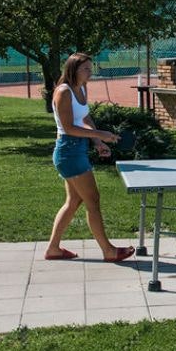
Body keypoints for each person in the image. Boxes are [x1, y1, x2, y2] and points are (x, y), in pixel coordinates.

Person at [45, 52, 135, 263]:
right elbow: (68, 127)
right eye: (85, 68)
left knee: (74, 201)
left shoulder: (82, 87)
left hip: (77, 150)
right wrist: (99, 134)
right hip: (68, 152)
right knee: (92, 199)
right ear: (73, 69)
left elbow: (84, 117)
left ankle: (53, 248)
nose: (90, 72)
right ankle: (108, 251)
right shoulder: (63, 92)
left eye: (90, 68)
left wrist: (97, 142)